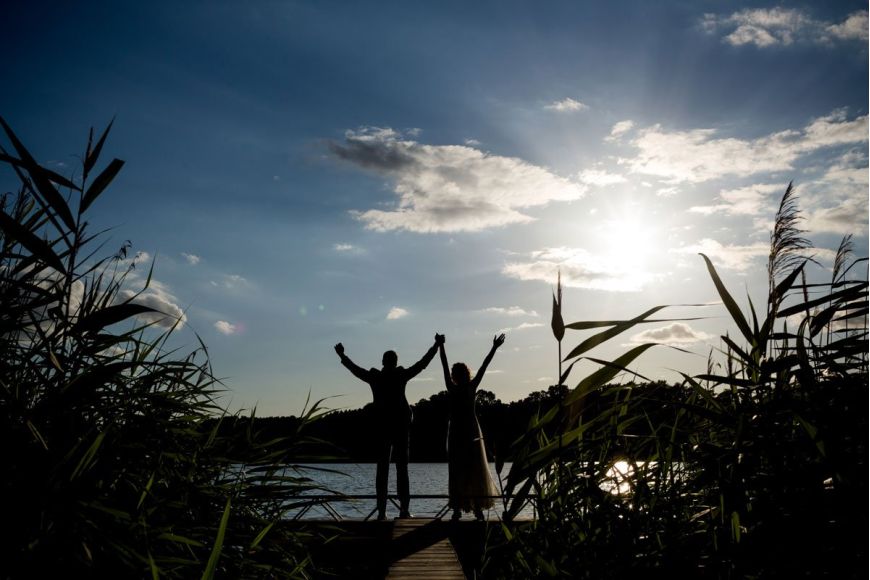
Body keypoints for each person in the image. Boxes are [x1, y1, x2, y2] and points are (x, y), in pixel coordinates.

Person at [334, 334, 444, 520]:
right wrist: (436, 345)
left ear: (383, 361)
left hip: (384, 426)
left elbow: (356, 370)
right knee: (402, 468)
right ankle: (403, 509)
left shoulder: (376, 377)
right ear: (394, 362)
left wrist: (343, 356)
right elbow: (421, 364)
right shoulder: (399, 375)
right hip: (399, 425)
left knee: (383, 468)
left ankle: (382, 511)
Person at [438, 333, 505, 520]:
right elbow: (483, 366)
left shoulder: (459, 388)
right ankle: (471, 509)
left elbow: (445, 365)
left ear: (456, 375)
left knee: (463, 468)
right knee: (469, 468)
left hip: (464, 430)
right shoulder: (469, 387)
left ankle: (462, 509)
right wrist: (494, 348)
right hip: (466, 429)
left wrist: (441, 346)